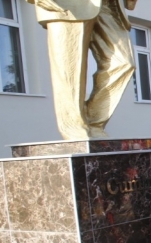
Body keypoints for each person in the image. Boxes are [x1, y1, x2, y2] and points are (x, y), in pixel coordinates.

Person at [26, 0, 137, 140]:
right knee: (70, 70)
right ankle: (73, 127)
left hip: (108, 5)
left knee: (123, 63)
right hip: (67, 5)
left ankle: (94, 122)